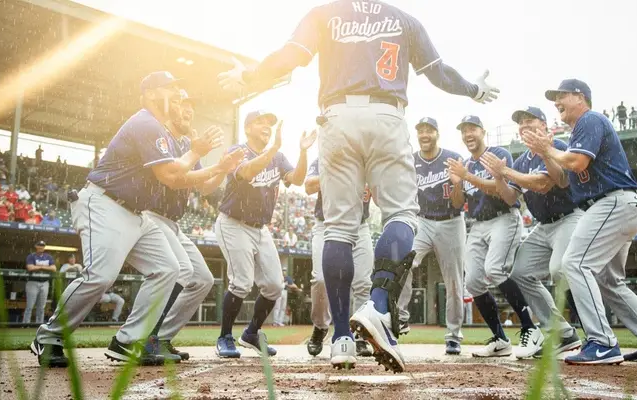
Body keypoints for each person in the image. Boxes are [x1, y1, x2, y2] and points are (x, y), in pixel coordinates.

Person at [215, 0, 498, 373]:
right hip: (387, 113)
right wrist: (474, 90)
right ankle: (379, 307)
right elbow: (439, 73)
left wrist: (250, 76)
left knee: (338, 228)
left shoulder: (324, 13)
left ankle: (342, 338)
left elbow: (289, 56)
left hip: (336, 116)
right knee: (401, 215)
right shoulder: (404, 19)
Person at [32, 71, 224, 368]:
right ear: (149, 95)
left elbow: (179, 177)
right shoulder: (145, 121)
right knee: (100, 276)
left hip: (135, 213)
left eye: (177, 88)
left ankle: (127, 341)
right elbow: (172, 176)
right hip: (105, 203)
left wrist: (214, 164)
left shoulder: (159, 128)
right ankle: (50, 336)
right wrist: (198, 151)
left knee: (168, 269)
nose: (176, 94)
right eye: (169, 89)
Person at [523, 79, 637, 364]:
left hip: (611, 202)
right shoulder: (576, 135)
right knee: (610, 281)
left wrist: (548, 150)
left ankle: (603, 342)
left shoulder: (590, 119)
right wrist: (547, 152)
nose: (557, 102)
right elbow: (561, 177)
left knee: (575, 264)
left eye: (562, 96)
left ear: (580, 97)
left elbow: (578, 163)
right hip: (618, 206)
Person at [143, 90, 244, 362]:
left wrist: (222, 168)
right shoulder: (161, 138)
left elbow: (204, 186)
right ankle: (147, 337)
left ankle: (161, 337)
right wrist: (209, 163)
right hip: (150, 216)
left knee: (202, 279)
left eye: (191, 107)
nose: (188, 111)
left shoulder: (189, 144)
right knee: (179, 271)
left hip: (173, 223)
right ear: (171, 108)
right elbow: (176, 178)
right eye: (182, 105)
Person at [479, 106, 582, 359]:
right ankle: (562, 333)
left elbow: (544, 184)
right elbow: (511, 196)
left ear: (544, 125)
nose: (524, 125)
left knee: (560, 268)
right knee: (520, 273)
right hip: (543, 225)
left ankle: (598, 336)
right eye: (520, 122)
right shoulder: (523, 159)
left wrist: (505, 172)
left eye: (530, 120)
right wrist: (500, 178)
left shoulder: (557, 144)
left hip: (570, 217)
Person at [214, 110, 314, 360]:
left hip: (260, 228)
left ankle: (251, 333)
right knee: (242, 282)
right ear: (248, 128)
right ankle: (224, 337)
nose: (266, 126)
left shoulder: (278, 157)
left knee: (273, 285)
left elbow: (298, 179)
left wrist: (302, 151)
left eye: (269, 123)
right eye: (260, 122)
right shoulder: (237, 150)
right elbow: (246, 173)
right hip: (233, 223)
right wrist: (274, 150)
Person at [445, 115, 535, 359]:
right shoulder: (465, 164)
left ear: (483, 131)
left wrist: (467, 176)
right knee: (473, 281)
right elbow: (457, 203)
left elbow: (499, 190)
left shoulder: (497, 154)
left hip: (503, 217)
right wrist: (456, 184)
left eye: (472, 128)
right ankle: (500, 338)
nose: (468, 134)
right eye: (464, 130)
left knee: (495, 269)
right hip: (477, 224)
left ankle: (531, 328)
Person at [397, 117, 465, 355]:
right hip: (423, 220)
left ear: (437, 133)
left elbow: (459, 202)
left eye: (429, 130)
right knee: (404, 261)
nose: (424, 135)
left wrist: (457, 184)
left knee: (454, 280)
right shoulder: (410, 160)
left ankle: (454, 335)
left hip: (451, 220)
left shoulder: (453, 158)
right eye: (421, 131)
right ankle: (401, 317)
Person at [305, 158, 375, 363]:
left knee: (363, 282)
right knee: (320, 279)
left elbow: (383, 193)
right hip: (327, 224)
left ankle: (360, 334)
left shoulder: (368, 159)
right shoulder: (327, 157)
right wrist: (342, 176)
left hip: (359, 226)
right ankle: (320, 325)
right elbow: (309, 186)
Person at [23, 241, 57, 324]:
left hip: (44, 282)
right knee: (30, 306)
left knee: (41, 307)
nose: (41, 247)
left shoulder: (48, 257)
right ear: (36, 246)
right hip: (33, 282)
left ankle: (39, 324)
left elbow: (53, 268)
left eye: (43, 246)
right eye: (39, 245)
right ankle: (25, 324)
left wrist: (38, 267)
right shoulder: (31, 256)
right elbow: (30, 267)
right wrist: (45, 266)